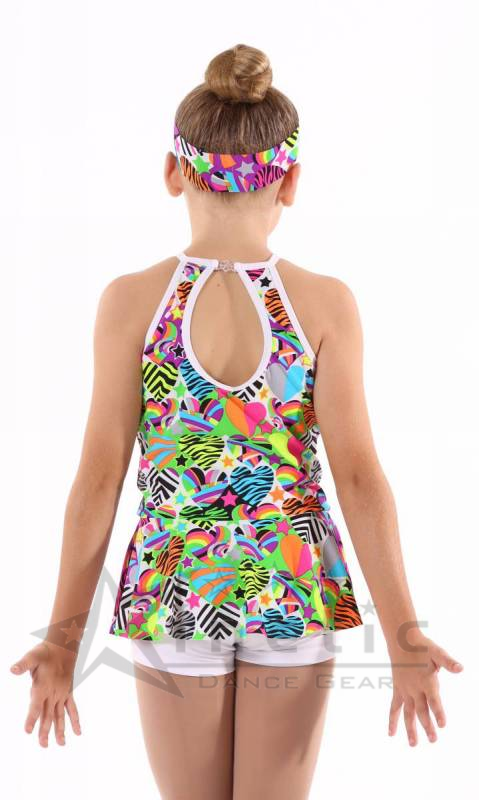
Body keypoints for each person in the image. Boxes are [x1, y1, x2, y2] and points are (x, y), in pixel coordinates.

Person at [10, 43, 463, 800]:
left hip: (176, 587)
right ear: (289, 181)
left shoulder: (132, 303)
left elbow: (98, 480)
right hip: (292, 585)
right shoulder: (323, 304)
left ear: (173, 171)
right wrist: (403, 633)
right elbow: (358, 478)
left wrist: (62, 641)